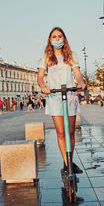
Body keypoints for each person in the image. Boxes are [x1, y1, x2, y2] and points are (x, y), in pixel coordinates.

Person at [37, 27, 86, 174]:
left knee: (70, 132)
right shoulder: (46, 56)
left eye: (60, 36)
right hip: (54, 97)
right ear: (50, 40)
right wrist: (43, 86)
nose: (57, 39)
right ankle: (68, 163)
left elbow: (77, 74)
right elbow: (40, 77)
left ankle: (68, 163)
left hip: (70, 96)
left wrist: (81, 83)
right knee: (60, 133)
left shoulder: (71, 55)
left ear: (64, 38)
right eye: (54, 36)